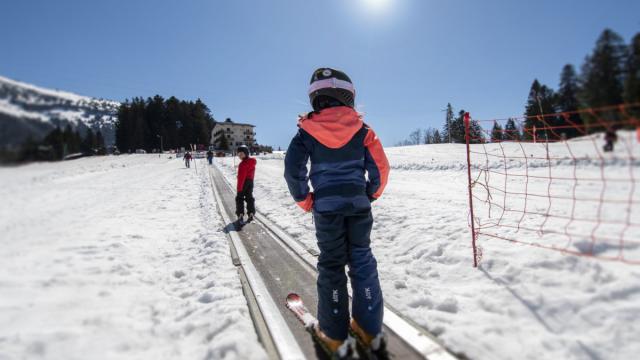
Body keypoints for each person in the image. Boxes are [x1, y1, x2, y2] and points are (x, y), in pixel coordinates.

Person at [284, 68, 390, 356]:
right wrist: (370, 193)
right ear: (349, 96)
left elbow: (293, 170)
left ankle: (333, 335)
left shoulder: (305, 133)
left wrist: (304, 199)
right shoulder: (363, 130)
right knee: (362, 259)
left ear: (315, 98)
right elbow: (380, 167)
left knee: (332, 264)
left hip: (327, 210)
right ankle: (368, 328)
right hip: (358, 206)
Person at [236, 145, 256, 223]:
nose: (239, 156)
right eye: (238, 154)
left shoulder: (242, 164)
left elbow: (241, 177)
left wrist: (239, 188)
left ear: (246, 153)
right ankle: (251, 213)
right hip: (250, 182)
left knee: (239, 198)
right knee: (249, 197)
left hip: (243, 183)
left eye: (241, 154)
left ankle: (240, 214)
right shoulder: (252, 162)